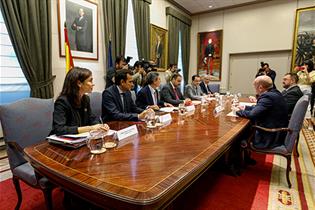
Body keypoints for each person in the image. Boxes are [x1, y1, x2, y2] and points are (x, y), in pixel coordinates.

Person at [52, 67, 109, 136]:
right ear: (79, 83)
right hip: (62, 142)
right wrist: (90, 128)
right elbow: (59, 129)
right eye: (90, 81)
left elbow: (92, 118)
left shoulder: (86, 99)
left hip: (81, 139)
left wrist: (100, 126)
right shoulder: (62, 102)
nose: (93, 84)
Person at [237, 75, 288, 149]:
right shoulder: (275, 93)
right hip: (278, 132)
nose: (255, 90)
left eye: (255, 87)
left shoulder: (267, 97)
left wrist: (237, 111)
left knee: (238, 136)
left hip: (269, 136)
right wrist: (245, 107)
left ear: (260, 87)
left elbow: (252, 114)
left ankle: (241, 159)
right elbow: (259, 108)